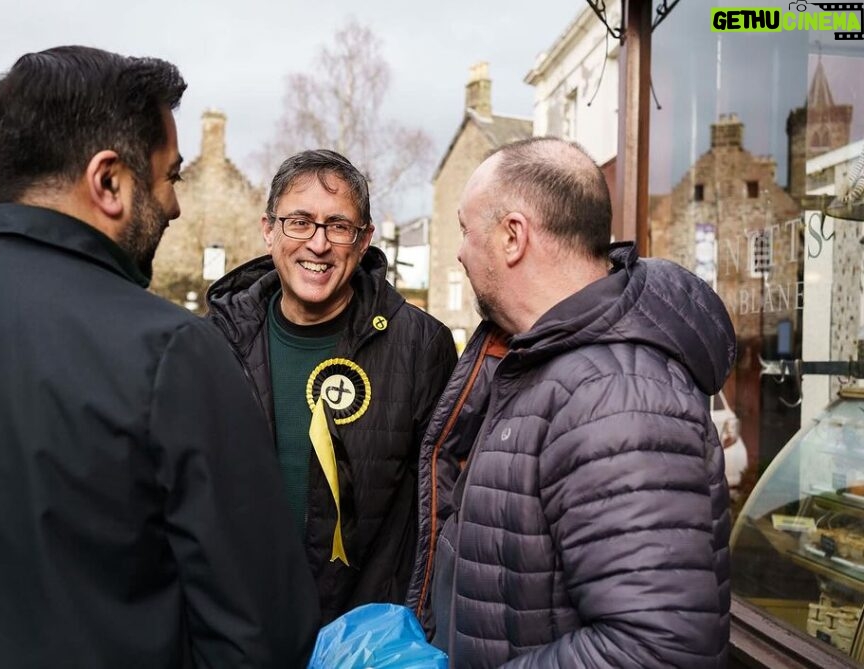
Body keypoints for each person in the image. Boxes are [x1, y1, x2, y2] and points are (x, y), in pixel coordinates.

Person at [0, 46, 319, 669]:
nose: (175, 205)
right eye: (169, 175)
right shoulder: (170, 355)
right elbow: (263, 637)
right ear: (110, 182)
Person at [405, 137, 735, 668]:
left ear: (513, 236)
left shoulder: (615, 396)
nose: (460, 252)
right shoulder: (542, 363)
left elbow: (656, 650)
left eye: (466, 231)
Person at [206, 149, 457, 623]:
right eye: (299, 222)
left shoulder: (422, 346)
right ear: (269, 230)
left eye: (338, 226)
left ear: (364, 241)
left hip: (366, 636)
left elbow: (442, 513)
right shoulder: (215, 340)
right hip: (240, 627)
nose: (318, 244)